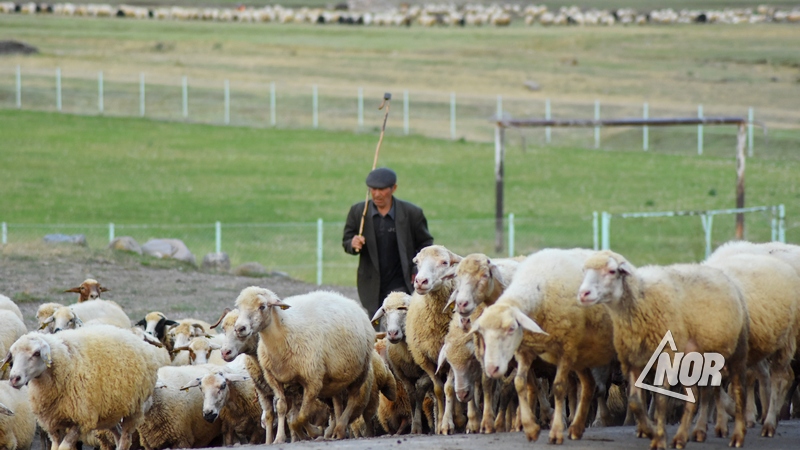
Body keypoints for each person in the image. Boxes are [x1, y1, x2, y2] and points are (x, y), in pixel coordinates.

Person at [342, 167, 434, 318]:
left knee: (398, 323)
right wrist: (353, 243)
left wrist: (416, 268)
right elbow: (346, 240)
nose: (377, 194)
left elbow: (426, 244)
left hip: (402, 282)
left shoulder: (412, 213)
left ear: (394, 188)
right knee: (377, 325)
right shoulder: (358, 212)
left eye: (382, 189)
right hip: (371, 285)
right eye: (373, 189)